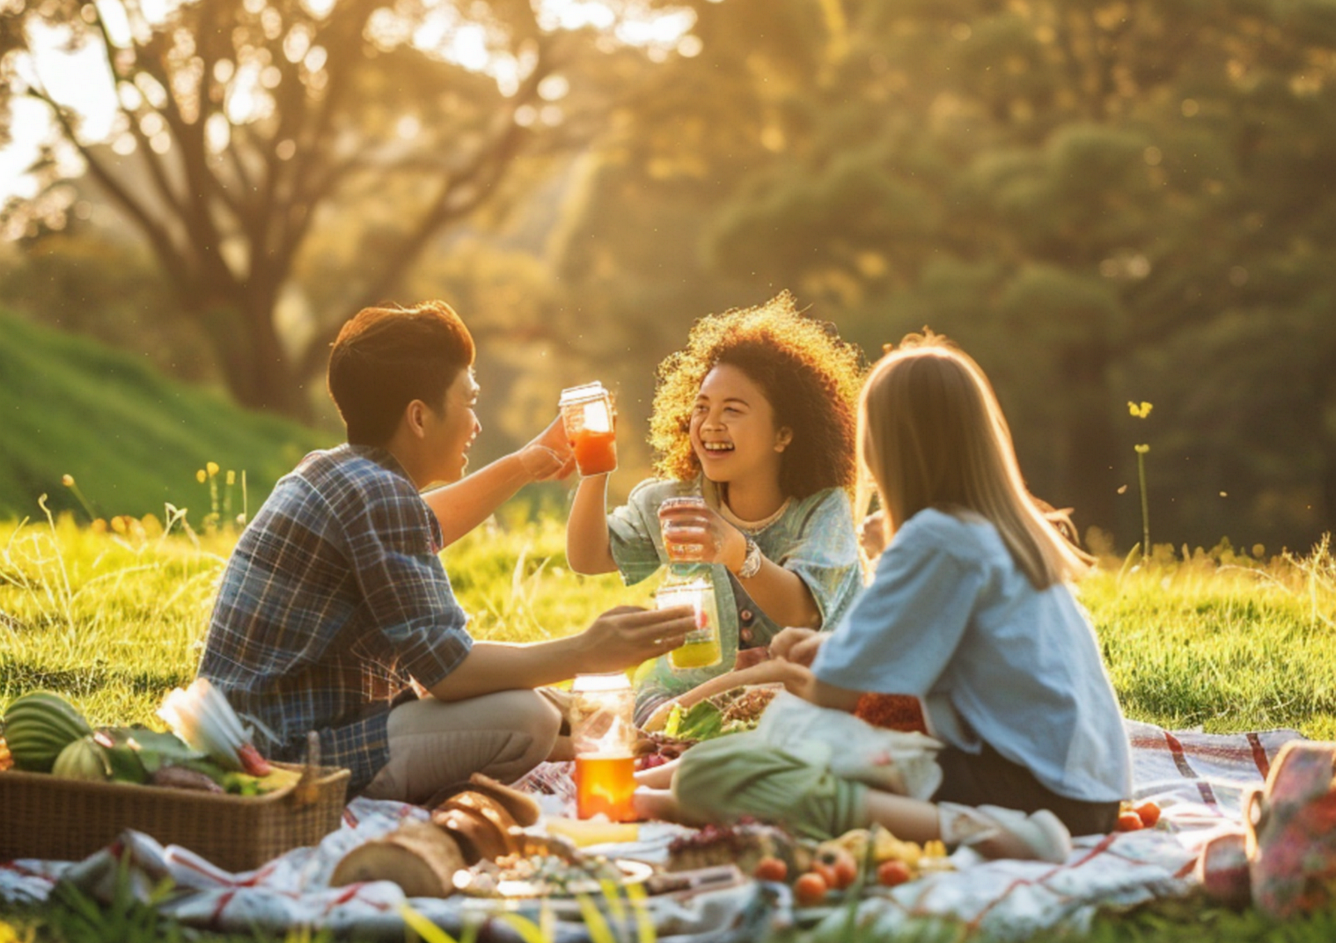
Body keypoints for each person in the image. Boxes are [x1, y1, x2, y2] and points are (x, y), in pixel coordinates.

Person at [198, 302, 694, 803]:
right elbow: (447, 673)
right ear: (418, 416)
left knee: (549, 701)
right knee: (529, 716)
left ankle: (591, 745)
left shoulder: (337, 472)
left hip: (257, 735)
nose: (476, 423)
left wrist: (524, 464)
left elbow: (421, 526)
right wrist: (588, 651)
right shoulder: (379, 495)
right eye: (470, 401)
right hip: (280, 760)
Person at [664, 332, 1132, 861]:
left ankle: (978, 832)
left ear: (884, 446)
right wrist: (828, 655)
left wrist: (797, 671)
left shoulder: (937, 538)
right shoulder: (999, 533)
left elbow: (839, 696)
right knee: (783, 741)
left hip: (1031, 795)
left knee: (726, 767)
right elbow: (916, 657)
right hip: (1092, 793)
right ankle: (969, 821)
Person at [565, 293, 865, 723]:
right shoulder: (673, 503)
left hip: (795, 689)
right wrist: (595, 466)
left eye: (733, 410)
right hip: (683, 695)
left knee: (782, 715)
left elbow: (804, 610)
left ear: (783, 434)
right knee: (651, 719)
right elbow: (588, 557)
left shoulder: (822, 509)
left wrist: (735, 550)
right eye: (701, 408)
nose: (710, 425)